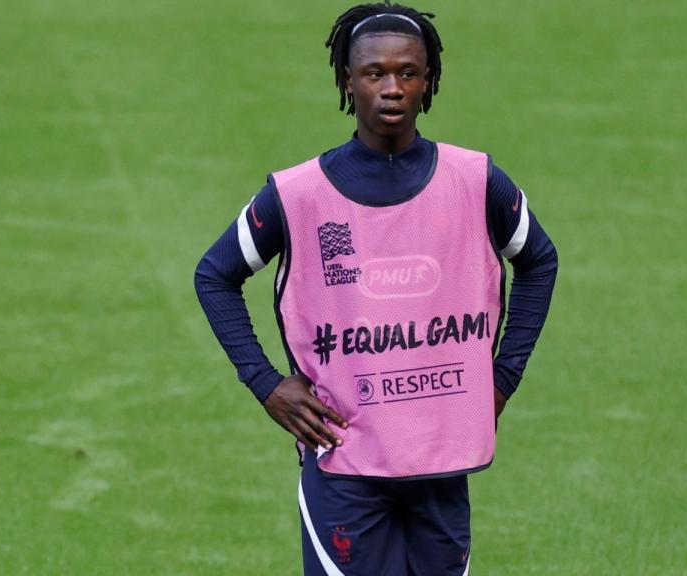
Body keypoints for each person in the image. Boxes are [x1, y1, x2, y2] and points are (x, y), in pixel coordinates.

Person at [195, 3, 557, 574]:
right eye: (374, 73)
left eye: (408, 73)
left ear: (429, 80)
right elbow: (215, 275)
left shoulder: (476, 179)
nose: (392, 88)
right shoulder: (299, 194)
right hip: (345, 466)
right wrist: (265, 383)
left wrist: (504, 375)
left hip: (442, 465)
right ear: (347, 79)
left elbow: (539, 261)